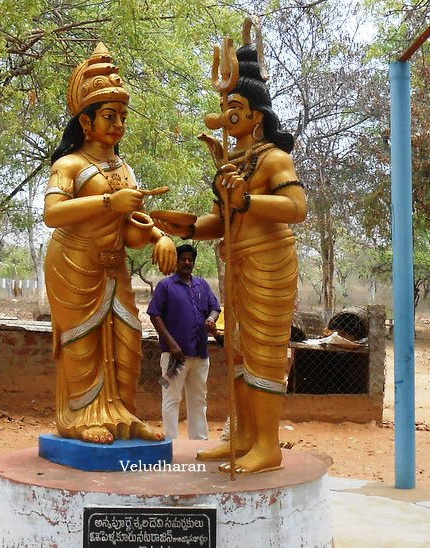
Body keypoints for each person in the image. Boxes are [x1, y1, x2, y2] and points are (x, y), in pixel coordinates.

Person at [154, 41, 307, 474]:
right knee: (237, 352)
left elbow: (296, 207)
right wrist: (185, 228)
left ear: (257, 117)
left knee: (263, 352)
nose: (225, 115)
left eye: (234, 108)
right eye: (224, 107)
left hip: (268, 263)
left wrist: (247, 200)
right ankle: (241, 436)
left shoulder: (273, 159)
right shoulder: (234, 162)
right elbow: (221, 221)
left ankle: (267, 446)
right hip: (237, 263)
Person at [43, 42, 176, 445]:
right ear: (86, 122)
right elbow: (53, 214)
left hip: (113, 266)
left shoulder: (125, 169)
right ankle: (82, 418)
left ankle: (124, 415)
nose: (118, 124)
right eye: (109, 116)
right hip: (73, 264)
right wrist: (107, 202)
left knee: (127, 339)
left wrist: (159, 236)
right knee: (82, 341)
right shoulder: (69, 165)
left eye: (122, 116)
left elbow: (130, 229)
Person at [147, 244, 220, 440]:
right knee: (172, 398)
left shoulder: (202, 285)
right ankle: (171, 442)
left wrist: (211, 319)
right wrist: (172, 344)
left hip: (200, 354)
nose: (187, 263)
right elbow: (154, 315)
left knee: (199, 399)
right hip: (175, 357)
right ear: (176, 262)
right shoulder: (166, 286)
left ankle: (199, 441)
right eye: (183, 259)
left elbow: (215, 307)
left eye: (190, 260)